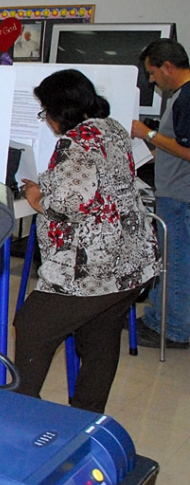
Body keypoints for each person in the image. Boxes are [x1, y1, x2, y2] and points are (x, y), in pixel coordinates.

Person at [16, 69, 159, 413]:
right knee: (99, 338)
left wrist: (35, 196)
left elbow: (67, 206)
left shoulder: (75, 143)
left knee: (33, 325)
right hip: (133, 261)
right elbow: (99, 181)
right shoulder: (111, 128)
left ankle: (19, 414)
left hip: (93, 266)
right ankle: (85, 416)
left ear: (58, 110)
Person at [131, 39, 190, 349]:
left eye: (153, 73)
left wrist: (147, 133)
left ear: (168, 66)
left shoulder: (187, 98)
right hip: (178, 193)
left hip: (180, 197)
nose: (152, 80)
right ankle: (170, 321)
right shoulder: (182, 97)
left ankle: (173, 329)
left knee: (175, 262)